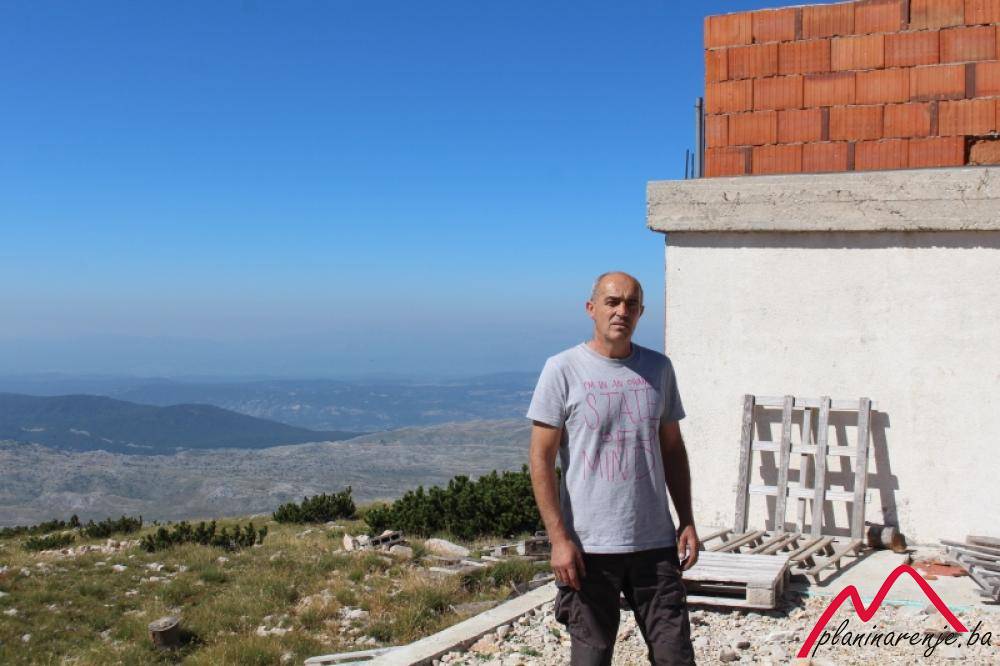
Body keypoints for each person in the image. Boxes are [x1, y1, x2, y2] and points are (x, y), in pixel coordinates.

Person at [527, 271, 698, 666]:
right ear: (591, 309)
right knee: (591, 657)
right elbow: (540, 458)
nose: (622, 311)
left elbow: (672, 449)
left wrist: (686, 519)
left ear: (641, 313)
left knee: (675, 656)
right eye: (612, 302)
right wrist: (558, 539)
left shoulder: (659, 368)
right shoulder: (562, 369)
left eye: (631, 304)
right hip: (588, 548)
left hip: (655, 544)